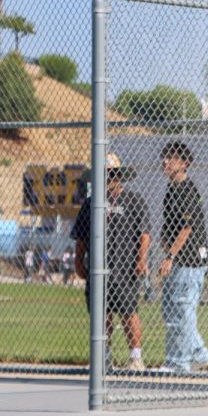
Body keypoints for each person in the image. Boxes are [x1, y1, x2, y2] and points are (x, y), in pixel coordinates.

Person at [69, 152, 151, 370]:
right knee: (101, 314)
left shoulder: (134, 201)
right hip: (97, 268)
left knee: (128, 313)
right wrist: (78, 262)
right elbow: (81, 236)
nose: (108, 179)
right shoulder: (90, 204)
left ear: (119, 176)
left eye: (112, 175)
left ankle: (135, 357)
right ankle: (104, 357)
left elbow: (144, 234)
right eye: (103, 175)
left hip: (125, 269)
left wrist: (142, 259)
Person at [159, 141, 208, 373]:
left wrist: (170, 255)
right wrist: (165, 245)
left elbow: (186, 227)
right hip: (179, 260)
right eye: (164, 157)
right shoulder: (172, 189)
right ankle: (200, 354)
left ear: (184, 163)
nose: (165, 162)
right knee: (172, 309)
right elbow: (170, 225)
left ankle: (179, 362)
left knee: (182, 310)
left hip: (189, 261)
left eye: (171, 158)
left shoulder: (187, 190)